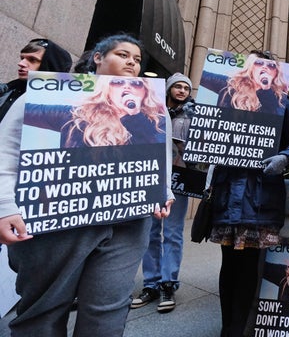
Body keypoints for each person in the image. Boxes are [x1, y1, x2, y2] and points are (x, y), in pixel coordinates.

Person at [0, 33, 174, 337]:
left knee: (106, 315)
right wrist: (5, 206)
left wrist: (164, 193)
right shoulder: (51, 95)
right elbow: (8, 150)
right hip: (56, 222)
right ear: (97, 57)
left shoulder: (153, 110)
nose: (131, 63)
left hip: (127, 225)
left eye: (136, 59)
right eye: (123, 55)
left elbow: (161, 159)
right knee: (41, 314)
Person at [207, 50, 289, 337]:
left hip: (260, 197)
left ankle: (237, 330)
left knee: (249, 267)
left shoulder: (282, 103)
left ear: (274, 74)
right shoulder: (226, 98)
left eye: (268, 68)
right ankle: (229, 328)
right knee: (229, 265)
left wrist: (284, 158)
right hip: (228, 192)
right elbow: (208, 136)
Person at [133, 73, 196, 312]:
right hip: (151, 176)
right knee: (150, 231)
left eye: (185, 88)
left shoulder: (195, 114)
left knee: (172, 232)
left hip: (179, 178)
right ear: (168, 88)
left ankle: (168, 283)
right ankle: (150, 284)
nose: (181, 90)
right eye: (177, 86)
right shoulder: (151, 109)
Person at [23, 75, 166, 147]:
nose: (127, 87)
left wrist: (135, 116)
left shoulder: (157, 124)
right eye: (118, 82)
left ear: (145, 92)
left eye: (136, 83)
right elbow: (27, 111)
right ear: (107, 88)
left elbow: (157, 160)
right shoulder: (78, 116)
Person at [0, 38, 72, 123]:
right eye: (22, 58)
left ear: (50, 66)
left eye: (32, 60)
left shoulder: (60, 111)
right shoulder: (6, 91)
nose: (21, 63)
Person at [201, 51, 287, 115]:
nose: (265, 67)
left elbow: (275, 122)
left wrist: (266, 90)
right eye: (259, 63)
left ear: (276, 72)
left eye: (271, 65)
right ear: (251, 67)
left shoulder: (280, 98)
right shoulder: (231, 84)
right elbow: (202, 76)